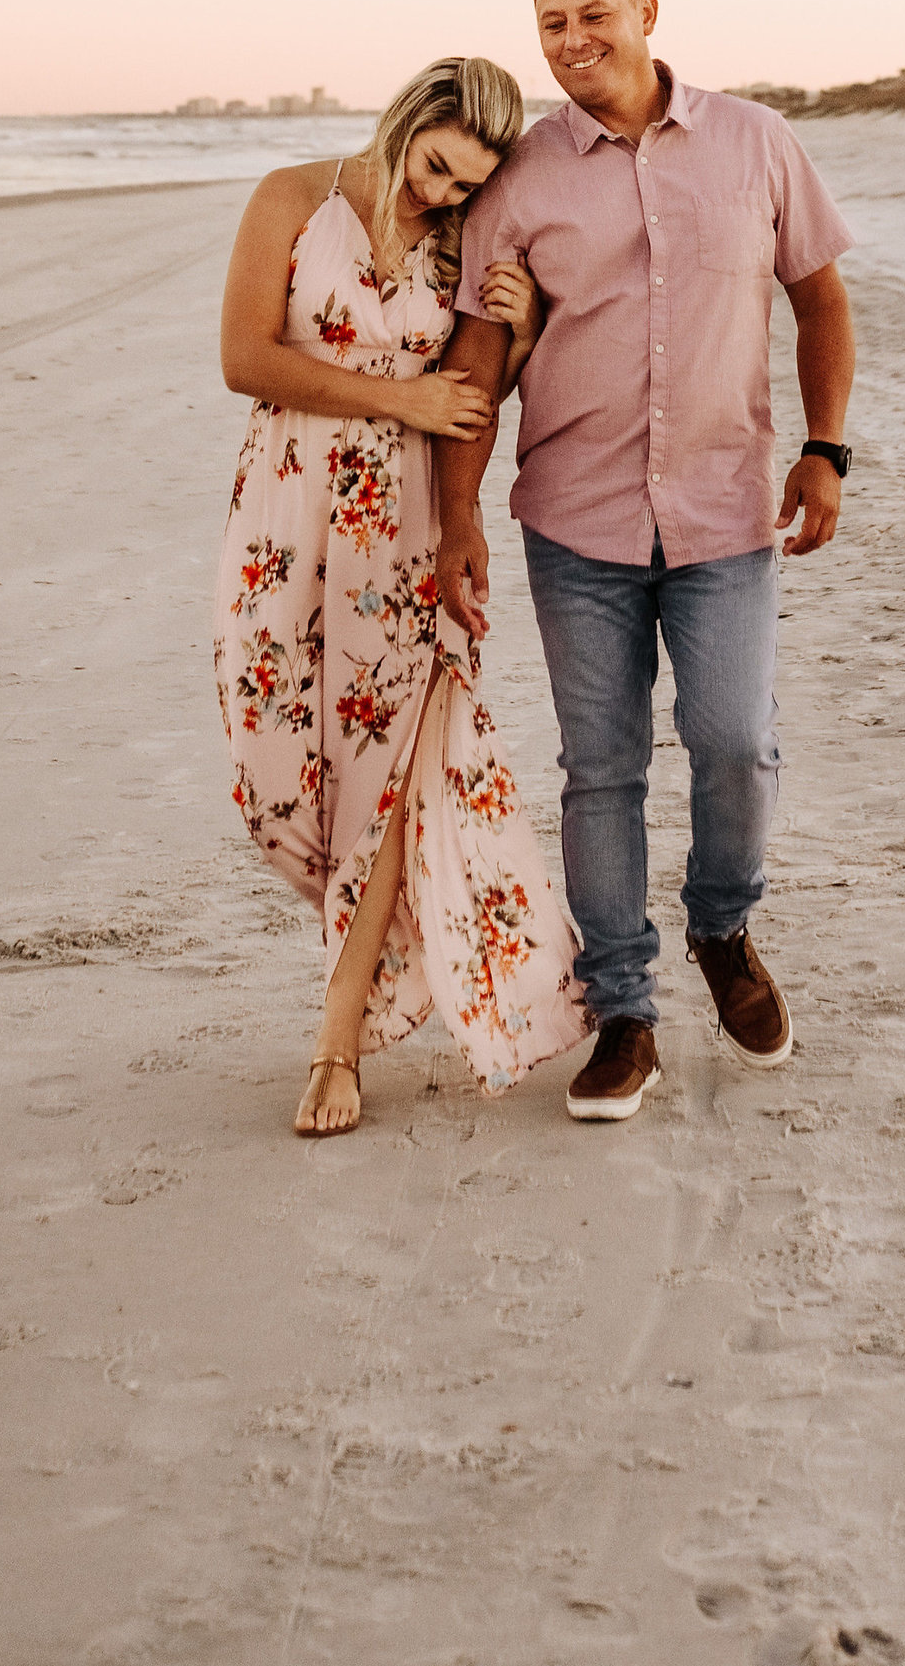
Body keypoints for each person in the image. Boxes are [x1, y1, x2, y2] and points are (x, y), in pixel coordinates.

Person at [434, 0, 857, 1123]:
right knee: (600, 769)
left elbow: (817, 290)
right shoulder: (518, 176)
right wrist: (456, 514)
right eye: (550, 23)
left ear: (647, 11)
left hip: (726, 510)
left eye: (592, 14)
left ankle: (722, 927)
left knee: (733, 740)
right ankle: (623, 1008)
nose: (572, 41)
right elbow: (479, 353)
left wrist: (825, 445)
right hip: (574, 516)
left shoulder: (755, 140)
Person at [214, 55, 589, 1135]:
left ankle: (337, 1046)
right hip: (281, 522)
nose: (441, 195)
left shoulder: (462, 245)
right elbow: (246, 357)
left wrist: (521, 333)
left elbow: (464, 402)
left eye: (467, 186)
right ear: (401, 124)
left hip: (400, 531)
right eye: (434, 168)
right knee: (274, 766)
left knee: (380, 778)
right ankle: (372, 944)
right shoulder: (292, 197)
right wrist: (398, 392)